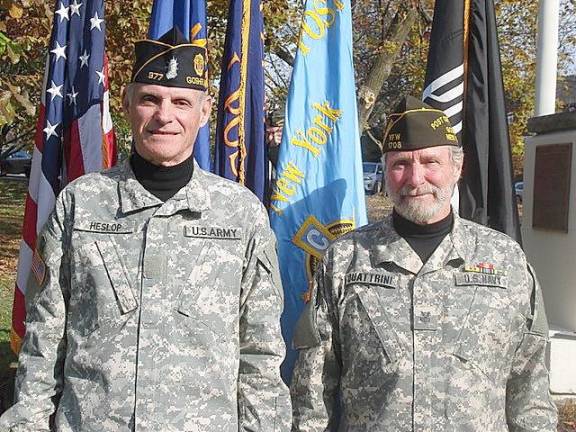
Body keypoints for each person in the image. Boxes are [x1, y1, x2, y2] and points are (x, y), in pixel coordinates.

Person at [0, 28, 291, 431]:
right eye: (150, 99)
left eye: (181, 102)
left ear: (204, 113)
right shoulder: (79, 203)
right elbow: (44, 335)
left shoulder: (240, 214)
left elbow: (260, 350)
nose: (164, 116)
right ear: (127, 104)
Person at [290, 96, 558, 431]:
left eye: (431, 162)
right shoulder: (344, 259)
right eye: (400, 164)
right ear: (385, 171)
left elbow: (529, 385)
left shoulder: (505, 260)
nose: (415, 179)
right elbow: (314, 391)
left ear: (456, 168)